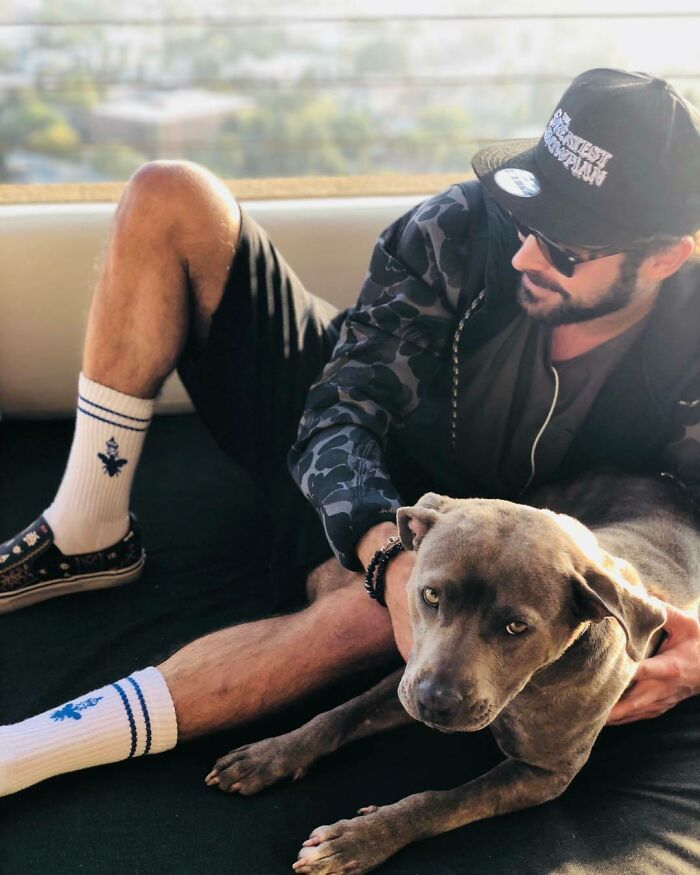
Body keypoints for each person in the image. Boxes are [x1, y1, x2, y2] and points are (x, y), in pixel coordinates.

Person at [1, 67, 699, 867]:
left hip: (504, 547)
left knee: (413, 609)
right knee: (172, 190)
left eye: (568, 248)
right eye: (525, 218)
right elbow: (340, 408)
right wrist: (386, 551)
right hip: (372, 471)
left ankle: (23, 749)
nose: (525, 256)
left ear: (666, 258)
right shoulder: (457, 229)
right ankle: (87, 527)